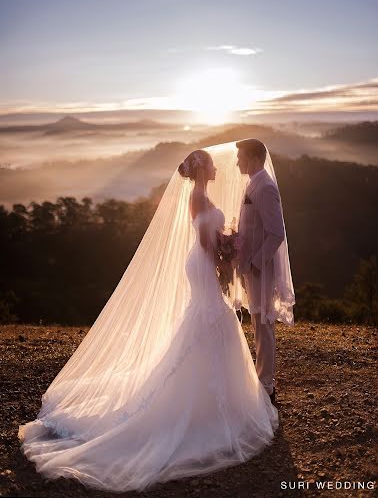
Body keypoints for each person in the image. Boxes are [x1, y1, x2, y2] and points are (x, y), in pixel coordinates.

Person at [18, 142, 286, 493]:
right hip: (204, 263)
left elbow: (217, 236)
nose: (222, 168)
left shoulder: (206, 195)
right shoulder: (201, 199)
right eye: (213, 166)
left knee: (209, 320)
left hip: (203, 265)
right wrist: (224, 252)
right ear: (203, 170)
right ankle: (213, 399)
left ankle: (214, 392)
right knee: (212, 320)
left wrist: (225, 247)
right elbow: (207, 240)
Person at [236, 139, 288, 406]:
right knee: (257, 324)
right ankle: (262, 380)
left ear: (255, 158)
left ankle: (267, 387)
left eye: (241, 157)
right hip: (251, 269)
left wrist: (255, 264)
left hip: (261, 271)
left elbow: (276, 233)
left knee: (263, 326)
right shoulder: (252, 182)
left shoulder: (266, 187)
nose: (237, 162)